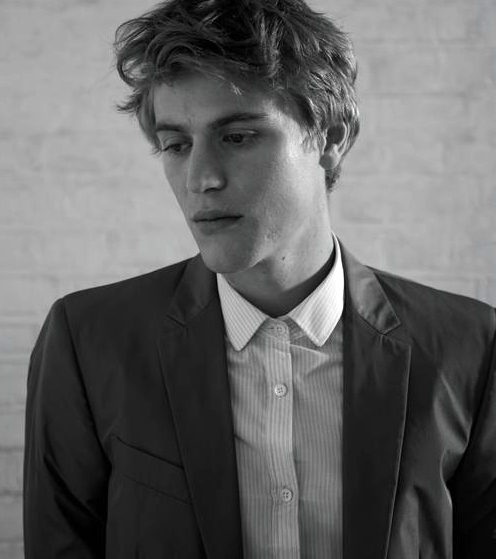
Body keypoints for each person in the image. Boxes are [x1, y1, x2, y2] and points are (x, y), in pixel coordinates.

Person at [23, 0, 496, 557]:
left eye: (238, 136)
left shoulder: (469, 344)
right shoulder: (88, 339)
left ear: (331, 138)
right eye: (176, 145)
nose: (200, 178)